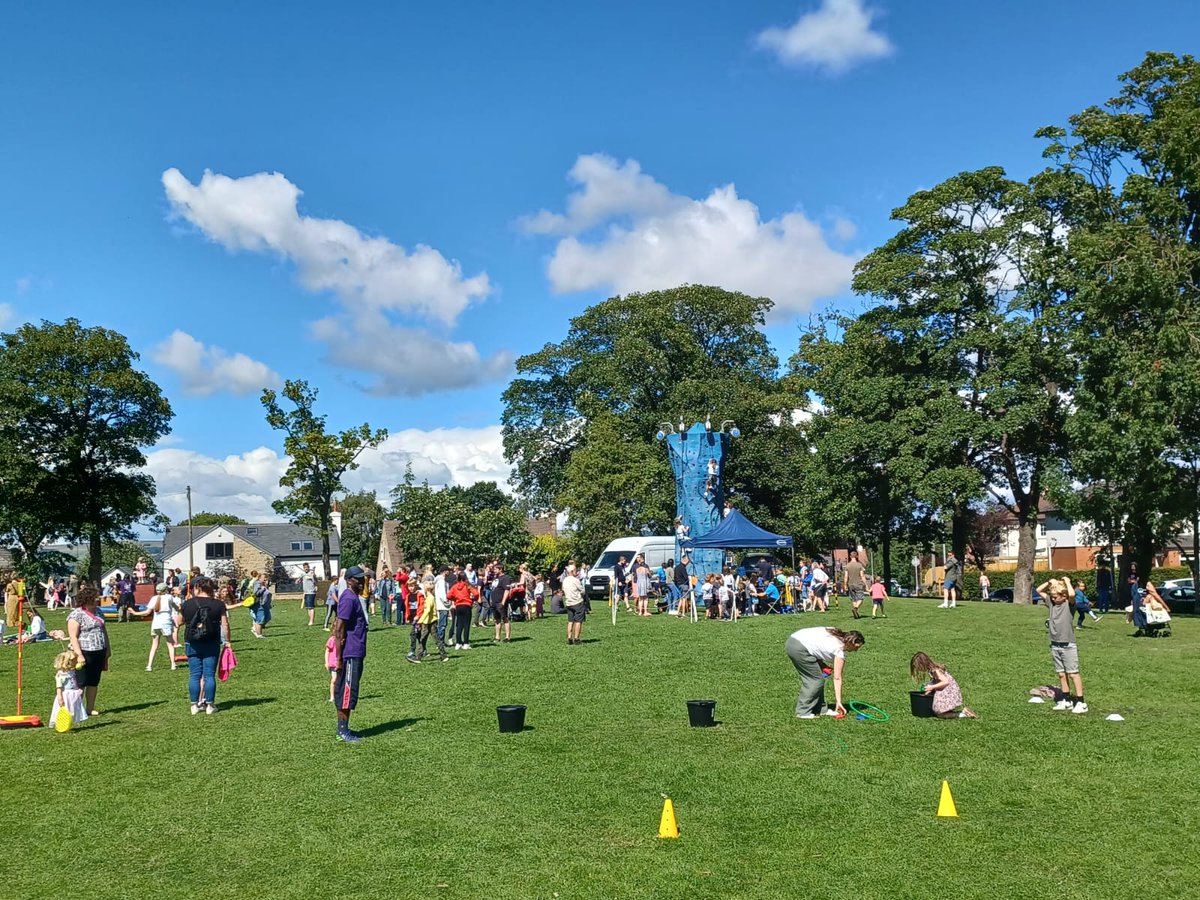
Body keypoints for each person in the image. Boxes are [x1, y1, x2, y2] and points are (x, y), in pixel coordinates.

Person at [785, 626, 865, 718]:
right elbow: (837, 678)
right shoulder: (838, 650)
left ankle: (821, 709)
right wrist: (838, 702)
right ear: (851, 643)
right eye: (856, 647)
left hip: (794, 639)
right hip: (798, 648)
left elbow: (817, 646)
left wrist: (822, 665)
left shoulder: (834, 631)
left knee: (818, 678)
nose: (856, 651)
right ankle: (803, 712)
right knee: (816, 680)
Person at [179, 577, 231, 715]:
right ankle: (210, 705)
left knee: (194, 675)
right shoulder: (219, 604)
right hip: (211, 642)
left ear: (198, 588)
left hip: (192, 642)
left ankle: (194, 705)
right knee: (209, 675)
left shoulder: (187, 604)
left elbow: (179, 621)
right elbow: (225, 624)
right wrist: (228, 641)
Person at [1036, 577, 1087, 714]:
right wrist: (1049, 582)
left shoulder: (1069, 605)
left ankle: (1081, 702)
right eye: (1051, 597)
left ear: (1063, 596)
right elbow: (1038, 590)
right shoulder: (1052, 604)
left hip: (1068, 645)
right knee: (1061, 674)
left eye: (1055, 596)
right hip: (1055, 644)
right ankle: (1066, 700)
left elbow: (1071, 594)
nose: (1052, 599)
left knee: (1073, 674)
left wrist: (1068, 582)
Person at [331, 565, 369, 742]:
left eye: (363, 578)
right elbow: (339, 628)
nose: (361, 581)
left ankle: (345, 728)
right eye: (358, 578)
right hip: (349, 653)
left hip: (356, 651)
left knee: (351, 691)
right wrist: (338, 658)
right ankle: (342, 731)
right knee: (346, 692)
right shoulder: (348, 597)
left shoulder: (354, 597)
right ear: (349, 580)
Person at [67, 586, 110, 716]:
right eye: (96, 597)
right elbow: (73, 636)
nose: (98, 599)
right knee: (81, 682)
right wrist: (79, 655)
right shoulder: (76, 614)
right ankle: (77, 709)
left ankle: (90, 708)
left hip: (99, 651)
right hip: (84, 651)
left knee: (93, 681)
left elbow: (103, 630)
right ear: (88, 599)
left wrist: (108, 648)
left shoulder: (99, 611)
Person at [129, 583, 180, 671]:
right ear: (166, 590)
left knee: (154, 645)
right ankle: (173, 664)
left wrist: (135, 613)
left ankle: (149, 666)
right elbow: (176, 608)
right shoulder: (169, 597)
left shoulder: (154, 598)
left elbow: (147, 612)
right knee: (170, 644)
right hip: (166, 623)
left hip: (156, 624)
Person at [910, 652, 976, 718]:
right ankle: (962, 712)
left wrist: (932, 687)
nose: (918, 669)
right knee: (939, 710)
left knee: (940, 714)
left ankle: (964, 714)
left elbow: (945, 682)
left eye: (918, 667)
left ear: (923, 663)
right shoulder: (932, 670)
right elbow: (936, 681)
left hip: (948, 691)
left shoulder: (935, 670)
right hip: (945, 689)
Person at [49, 650, 88, 729]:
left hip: (72, 693)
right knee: (65, 709)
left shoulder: (71, 671)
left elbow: (78, 667)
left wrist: (81, 664)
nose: (76, 662)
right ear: (68, 662)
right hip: (66, 695)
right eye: (74, 661)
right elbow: (59, 687)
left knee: (72, 708)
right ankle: (60, 723)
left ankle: (69, 722)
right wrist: (60, 697)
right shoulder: (61, 675)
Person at [448, 572, 474, 649]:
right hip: (467, 605)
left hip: (458, 606)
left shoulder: (455, 586)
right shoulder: (468, 585)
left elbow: (448, 595)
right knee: (466, 625)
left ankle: (458, 643)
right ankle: (465, 643)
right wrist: (472, 599)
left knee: (459, 625)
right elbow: (476, 593)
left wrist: (455, 599)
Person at [562, 563, 586, 645]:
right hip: (577, 602)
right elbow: (582, 591)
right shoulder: (576, 580)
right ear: (572, 571)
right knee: (578, 621)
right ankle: (576, 639)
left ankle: (569, 638)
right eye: (576, 570)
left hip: (568, 603)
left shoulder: (565, 580)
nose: (577, 572)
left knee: (570, 621)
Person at [491, 564, 513, 644]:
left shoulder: (506, 578)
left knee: (505, 619)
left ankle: (507, 637)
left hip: (501, 602)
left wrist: (503, 602)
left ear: (501, 569)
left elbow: (507, 590)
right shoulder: (495, 578)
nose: (494, 571)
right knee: (497, 620)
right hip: (494, 602)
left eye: (496, 569)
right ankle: (497, 637)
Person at [324, 634, 337, 703]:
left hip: (341, 663)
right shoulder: (332, 639)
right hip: (333, 664)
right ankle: (332, 697)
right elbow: (327, 651)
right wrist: (326, 662)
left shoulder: (344, 638)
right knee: (334, 679)